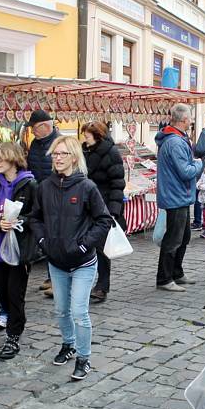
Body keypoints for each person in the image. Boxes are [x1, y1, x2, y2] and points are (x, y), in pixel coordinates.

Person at [29, 136, 112, 380]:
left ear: (74, 157)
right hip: (56, 261)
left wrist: (85, 245)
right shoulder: (45, 186)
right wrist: (44, 242)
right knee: (61, 310)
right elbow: (35, 217)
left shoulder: (87, 187)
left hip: (83, 262)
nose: (57, 158)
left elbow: (103, 220)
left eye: (63, 153)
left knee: (79, 311)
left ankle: (84, 358)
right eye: (55, 154)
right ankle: (68, 344)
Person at [0, 143, 37, 360]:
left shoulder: (30, 184)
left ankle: (13, 336)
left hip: (20, 249)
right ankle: (9, 316)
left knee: (15, 293)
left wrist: (20, 221)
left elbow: (37, 215)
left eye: (1, 159)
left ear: (13, 158)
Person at [155, 104, 204, 292]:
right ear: (184, 120)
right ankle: (164, 278)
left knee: (183, 236)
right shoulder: (175, 142)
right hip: (176, 196)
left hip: (179, 195)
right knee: (173, 239)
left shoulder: (177, 138)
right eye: (190, 118)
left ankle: (176, 272)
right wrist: (199, 164)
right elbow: (185, 171)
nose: (191, 121)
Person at [81, 121, 126, 303]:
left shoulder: (111, 153)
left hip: (104, 205)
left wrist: (113, 212)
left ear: (97, 136)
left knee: (101, 248)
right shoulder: (83, 151)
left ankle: (102, 286)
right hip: (84, 205)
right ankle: (82, 282)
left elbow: (117, 183)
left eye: (87, 135)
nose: (84, 138)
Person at [26, 110, 61, 297]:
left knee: (56, 238)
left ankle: (57, 279)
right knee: (46, 238)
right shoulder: (35, 144)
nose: (32, 131)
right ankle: (51, 277)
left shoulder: (60, 144)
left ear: (45, 126)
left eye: (34, 128)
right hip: (39, 198)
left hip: (56, 198)